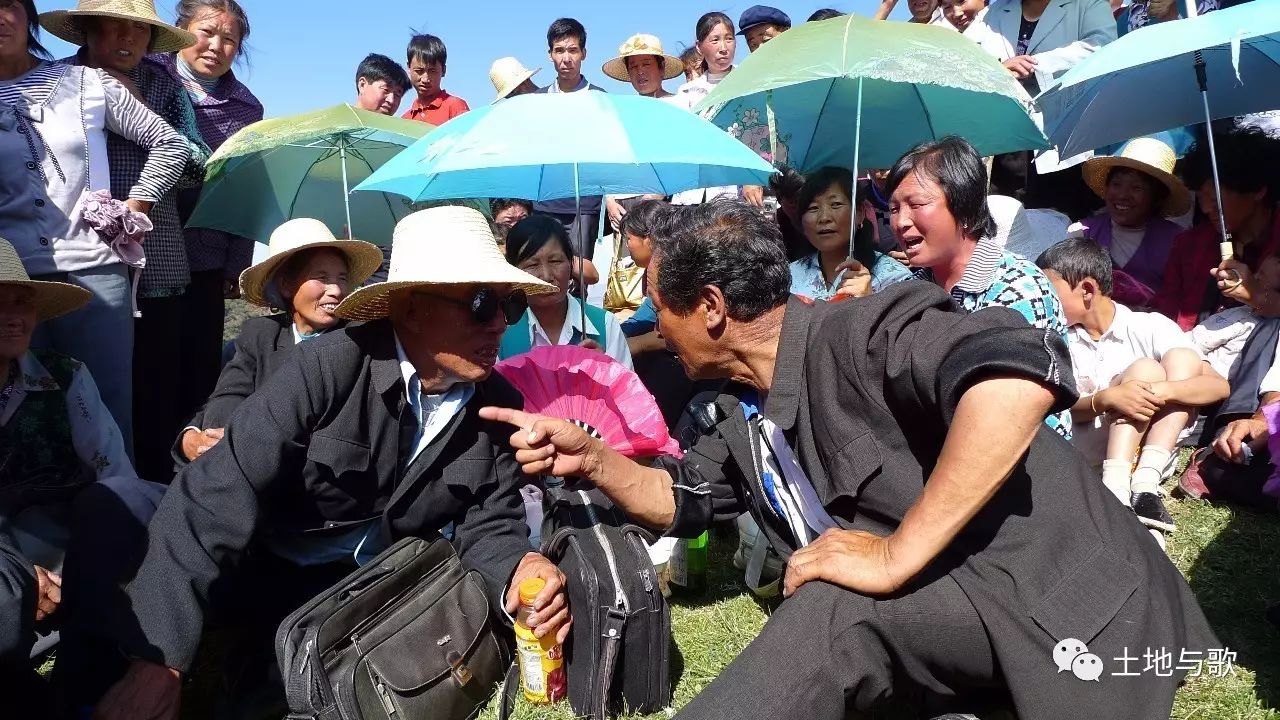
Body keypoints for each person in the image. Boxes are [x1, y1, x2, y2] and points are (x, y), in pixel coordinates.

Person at [481, 197, 1216, 720]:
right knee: (838, 597)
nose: (650, 326)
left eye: (655, 303)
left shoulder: (866, 326)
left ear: (709, 306)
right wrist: (594, 459)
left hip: (1070, 611)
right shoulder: (739, 409)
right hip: (961, 608)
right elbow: (683, 498)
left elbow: (1015, 381)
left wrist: (895, 553)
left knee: (840, 606)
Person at [94, 206, 571, 720]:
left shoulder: (495, 400)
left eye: (511, 304)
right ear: (410, 308)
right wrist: (158, 659)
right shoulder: (326, 367)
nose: (501, 322)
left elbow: (492, 519)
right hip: (272, 574)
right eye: (481, 303)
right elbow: (216, 491)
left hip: (383, 590)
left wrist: (520, 567)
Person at [1, 0, 188, 454]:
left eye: (7, 5)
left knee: (106, 405)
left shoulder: (86, 83)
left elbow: (171, 144)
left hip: (96, 271)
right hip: (12, 278)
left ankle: (115, 511)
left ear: (28, 16)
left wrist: (134, 204)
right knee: (21, 411)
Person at [43, 0, 213, 483]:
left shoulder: (164, 86)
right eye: (114, 27)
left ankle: (152, 502)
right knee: (76, 390)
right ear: (88, 31)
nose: (126, 39)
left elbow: (197, 160)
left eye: (137, 31)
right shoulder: (55, 83)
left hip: (155, 261)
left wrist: (140, 196)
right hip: (73, 259)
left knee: (154, 391)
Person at [0, 237, 168, 713]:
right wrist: (14, 579)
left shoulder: (66, 376)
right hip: (5, 562)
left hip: (68, 548)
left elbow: (112, 471)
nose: (13, 315)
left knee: (122, 499)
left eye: (21, 302)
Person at [1037, 238, 1227, 534]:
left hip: (1142, 458)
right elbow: (1058, 406)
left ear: (1087, 290)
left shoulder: (1147, 326)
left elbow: (1216, 386)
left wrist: (1159, 392)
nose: (1042, 300)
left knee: (1167, 366)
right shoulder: (1058, 338)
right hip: (1085, 453)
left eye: (1049, 291)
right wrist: (1107, 399)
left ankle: (1142, 485)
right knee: (1146, 369)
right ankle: (1119, 486)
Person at [888, 137, 1072, 438]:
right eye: (894, 208)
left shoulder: (1019, 289)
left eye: (917, 204)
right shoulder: (908, 289)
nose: (901, 222)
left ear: (965, 209)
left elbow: (1011, 412)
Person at [145, 0, 263, 455]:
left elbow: (245, 188)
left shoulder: (246, 108)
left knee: (198, 369)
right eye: (206, 31)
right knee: (150, 366)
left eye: (229, 38)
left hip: (208, 255)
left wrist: (237, 259)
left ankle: (188, 461)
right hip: (148, 254)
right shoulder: (149, 75)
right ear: (180, 30)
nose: (216, 45)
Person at [174, 218, 384, 465]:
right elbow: (229, 394)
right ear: (286, 285)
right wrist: (201, 437)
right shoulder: (260, 335)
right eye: (321, 277)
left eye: (341, 278)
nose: (336, 290)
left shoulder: (357, 341)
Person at [973, 0, 1115, 220]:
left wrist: (1035, 64)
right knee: (1004, 219)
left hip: (1061, 135)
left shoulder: (1088, 4)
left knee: (1057, 221)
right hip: (1008, 137)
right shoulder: (994, 11)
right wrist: (998, 67)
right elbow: (967, 55)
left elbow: (1102, 46)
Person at [1155, 126, 1280, 331]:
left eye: (1215, 199)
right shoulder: (1189, 246)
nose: (1205, 208)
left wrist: (1257, 295)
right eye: (1201, 198)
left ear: (1257, 190)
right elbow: (1166, 311)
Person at [499, 215, 631, 368]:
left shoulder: (605, 324)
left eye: (555, 261)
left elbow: (627, 389)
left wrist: (607, 370)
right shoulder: (501, 333)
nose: (547, 276)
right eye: (532, 265)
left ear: (571, 265)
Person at [1071, 137, 1192, 296]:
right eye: (1116, 184)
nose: (1122, 195)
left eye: (1136, 188)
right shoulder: (1083, 233)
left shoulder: (1178, 241)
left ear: (1157, 197)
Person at [672, 12, 763, 208]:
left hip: (736, 193)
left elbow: (759, 136)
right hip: (692, 194)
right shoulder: (687, 91)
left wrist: (752, 177)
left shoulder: (751, 83)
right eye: (715, 40)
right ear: (699, 46)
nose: (723, 48)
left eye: (729, 39)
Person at [534, 18, 607, 259]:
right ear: (550, 54)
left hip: (584, 205)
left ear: (584, 53)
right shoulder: (537, 100)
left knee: (580, 277)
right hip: (544, 203)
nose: (566, 58)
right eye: (559, 50)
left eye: (573, 50)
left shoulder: (599, 99)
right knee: (546, 275)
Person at [790, 167, 913, 301]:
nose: (824, 217)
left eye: (835, 204)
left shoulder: (893, 278)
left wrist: (869, 301)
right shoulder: (789, 277)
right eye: (813, 208)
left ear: (859, 214)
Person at [401, 33, 468, 125]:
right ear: (409, 68)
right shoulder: (405, 119)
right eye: (419, 71)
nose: (425, 79)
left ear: (443, 71)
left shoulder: (455, 107)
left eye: (432, 71)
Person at [601, 33, 684, 100]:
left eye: (646, 64)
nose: (640, 72)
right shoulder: (626, 110)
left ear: (662, 67)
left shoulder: (680, 104)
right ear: (628, 72)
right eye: (633, 67)